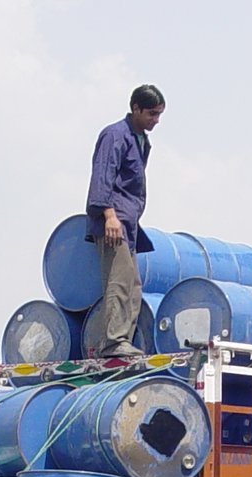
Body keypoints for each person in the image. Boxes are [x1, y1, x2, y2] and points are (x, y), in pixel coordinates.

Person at [85, 84, 165, 359]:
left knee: (133, 286)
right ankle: (113, 343)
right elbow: (103, 176)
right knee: (118, 282)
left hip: (128, 225)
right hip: (113, 222)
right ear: (135, 109)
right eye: (152, 114)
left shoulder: (140, 139)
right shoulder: (115, 135)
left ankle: (122, 341)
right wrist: (109, 215)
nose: (155, 120)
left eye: (158, 115)